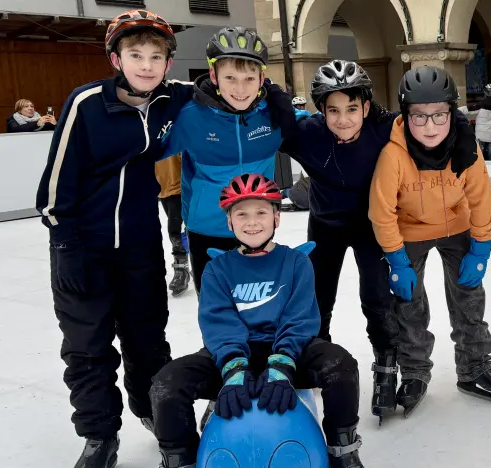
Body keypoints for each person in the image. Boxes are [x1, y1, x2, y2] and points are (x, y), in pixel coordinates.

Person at [139, 173, 381, 468]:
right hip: (233, 357)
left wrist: (282, 364)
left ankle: (343, 458)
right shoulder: (218, 269)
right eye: (242, 215)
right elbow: (218, 323)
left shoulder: (296, 262)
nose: (252, 222)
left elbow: (301, 318)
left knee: (341, 367)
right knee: (166, 385)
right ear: (229, 222)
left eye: (260, 213)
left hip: (288, 351)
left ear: (276, 218)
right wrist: (233, 369)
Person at [36, 9, 194, 468]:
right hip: (84, 247)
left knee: (148, 340)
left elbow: (230, 89)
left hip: (141, 249)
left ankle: (151, 411)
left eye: (155, 56)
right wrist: (65, 245)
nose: (146, 65)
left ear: (168, 63)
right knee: (88, 347)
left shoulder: (174, 99)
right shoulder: (86, 104)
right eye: (135, 55)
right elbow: (56, 183)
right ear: (115, 58)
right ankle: (99, 435)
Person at [369, 66, 491, 418]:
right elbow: (381, 211)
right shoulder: (393, 154)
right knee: (409, 302)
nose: (430, 126)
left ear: (452, 112)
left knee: (468, 295)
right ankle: (415, 372)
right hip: (410, 231)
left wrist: (481, 247)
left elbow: (481, 197)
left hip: (457, 227)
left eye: (439, 115)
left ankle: (474, 365)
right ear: (406, 115)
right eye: (419, 117)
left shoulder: (466, 145)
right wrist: (397, 260)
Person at [280, 61, 401, 425]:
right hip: (326, 224)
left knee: (378, 298)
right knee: (317, 299)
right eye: (333, 110)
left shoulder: (385, 127)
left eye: (352, 109)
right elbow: (260, 125)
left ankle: (385, 365)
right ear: (320, 110)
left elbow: (430, 116)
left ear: (366, 106)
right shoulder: (307, 134)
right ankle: (318, 360)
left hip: (371, 226)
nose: (343, 119)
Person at [159, 26, 300, 293]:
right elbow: (145, 151)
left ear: (262, 79)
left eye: (249, 78)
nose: (240, 88)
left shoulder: (274, 115)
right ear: (214, 75)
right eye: (230, 78)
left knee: (260, 309)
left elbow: (321, 128)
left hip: (257, 228)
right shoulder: (191, 117)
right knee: (216, 313)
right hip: (206, 230)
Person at [155, 154, 190, 296]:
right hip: (161, 188)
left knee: (175, 230)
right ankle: (187, 265)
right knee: (177, 231)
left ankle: (181, 268)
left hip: (180, 187)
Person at [474, 84, 491, 161]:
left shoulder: (481, 104)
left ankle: (479, 168)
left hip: (481, 134)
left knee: (479, 154)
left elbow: (469, 111)